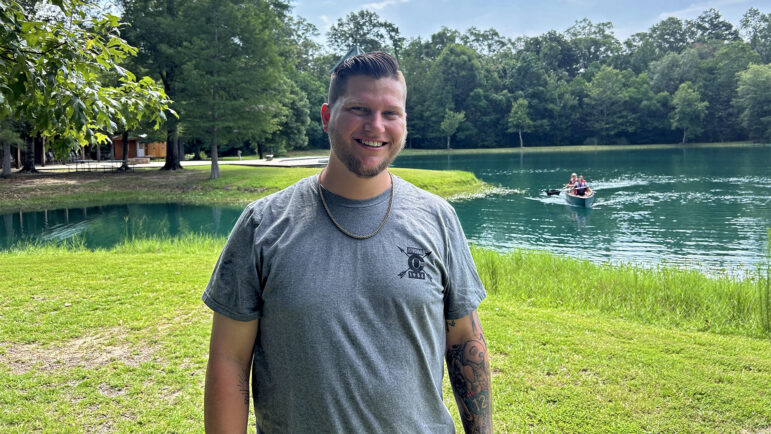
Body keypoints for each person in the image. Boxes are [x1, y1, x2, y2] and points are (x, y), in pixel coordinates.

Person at [202, 52, 492, 433]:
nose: (376, 126)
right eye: (359, 109)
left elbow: (465, 342)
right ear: (327, 117)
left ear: (404, 121)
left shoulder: (438, 219)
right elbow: (230, 360)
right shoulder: (262, 225)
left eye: (391, 113)